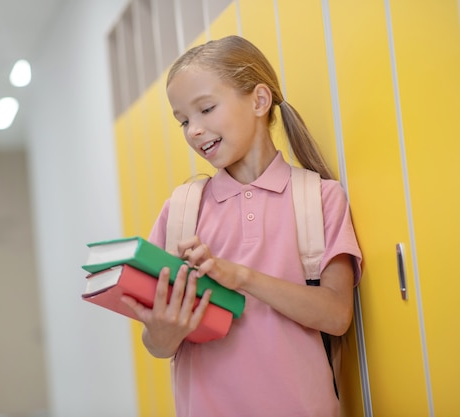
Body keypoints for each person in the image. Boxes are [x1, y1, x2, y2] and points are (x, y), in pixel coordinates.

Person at [121, 35, 363, 416]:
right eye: (183, 120)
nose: (193, 130)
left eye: (206, 109)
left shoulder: (320, 198)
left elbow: (336, 315)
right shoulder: (182, 210)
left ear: (259, 100)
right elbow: (158, 344)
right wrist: (163, 334)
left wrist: (241, 277)